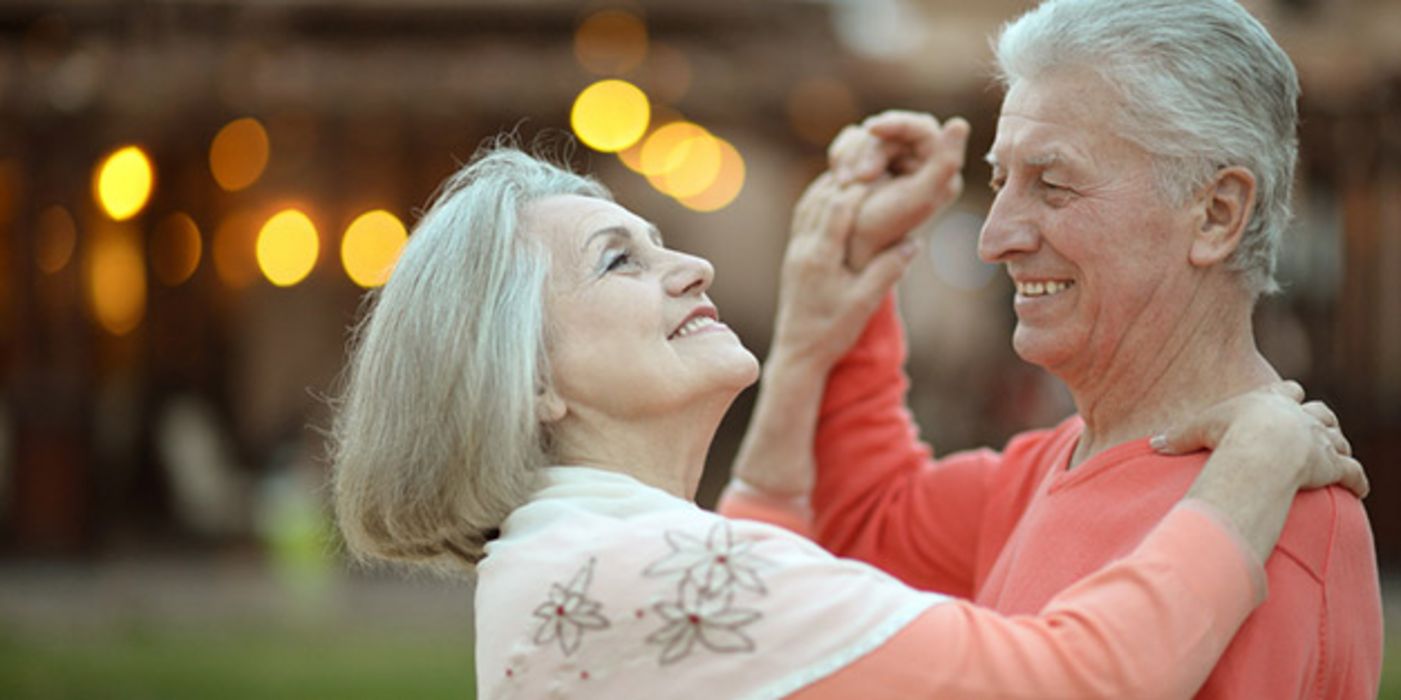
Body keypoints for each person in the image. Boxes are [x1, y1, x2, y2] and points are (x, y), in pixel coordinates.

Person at [328, 143, 1364, 699]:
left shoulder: (584, 558)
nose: (688, 263)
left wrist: (822, 325)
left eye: (658, 240)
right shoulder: (648, 576)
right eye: (620, 260)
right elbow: (1078, 681)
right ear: (531, 382)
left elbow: (759, 571)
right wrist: (1254, 463)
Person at [724, 1, 1383, 698]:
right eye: (999, 180)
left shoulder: (1287, 517)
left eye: (1052, 184)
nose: (993, 238)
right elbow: (855, 526)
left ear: (1216, 214)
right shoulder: (1052, 463)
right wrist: (851, 260)